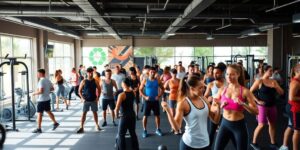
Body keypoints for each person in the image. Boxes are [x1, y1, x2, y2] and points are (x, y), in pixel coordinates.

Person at [161, 75, 221, 150]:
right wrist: (168, 111)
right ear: (192, 89)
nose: (203, 89)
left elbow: (215, 120)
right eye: (200, 88)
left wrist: (218, 107)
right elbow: (176, 128)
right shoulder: (183, 103)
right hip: (189, 144)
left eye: (203, 86)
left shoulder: (204, 99)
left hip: (205, 143)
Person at [213, 64, 258, 150]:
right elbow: (213, 108)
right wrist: (219, 106)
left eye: (232, 74)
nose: (229, 77)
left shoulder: (245, 91)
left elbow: (256, 111)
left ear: (238, 74)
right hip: (224, 124)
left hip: (239, 126)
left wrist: (243, 104)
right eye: (227, 74)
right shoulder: (222, 89)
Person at [250, 65, 284, 150]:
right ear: (265, 71)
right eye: (270, 71)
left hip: (272, 105)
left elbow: (282, 93)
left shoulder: (274, 81)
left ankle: (273, 143)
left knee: (272, 124)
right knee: (261, 124)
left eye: (272, 71)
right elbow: (250, 92)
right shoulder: (259, 81)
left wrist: (276, 87)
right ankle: (253, 142)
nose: (272, 72)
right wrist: (257, 101)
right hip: (262, 106)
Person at [204, 66, 226, 147]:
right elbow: (205, 97)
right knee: (212, 132)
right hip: (215, 111)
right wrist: (209, 98)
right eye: (213, 73)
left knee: (227, 133)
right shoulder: (211, 84)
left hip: (226, 112)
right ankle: (209, 148)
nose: (215, 75)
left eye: (217, 73)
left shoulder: (227, 83)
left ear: (221, 73)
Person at [139, 67, 165, 138]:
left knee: (157, 115)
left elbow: (163, 89)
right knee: (145, 116)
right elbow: (140, 90)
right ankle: (144, 130)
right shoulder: (145, 80)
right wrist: (145, 97)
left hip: (155, 101)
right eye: (151, 72)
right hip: (148, 101)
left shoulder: (158, 81)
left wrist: (159, 96)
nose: (153, 73)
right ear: (149, 72)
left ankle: (158, 129)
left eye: (154, 72)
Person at [32, 69, 60, 133]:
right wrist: (47, 91)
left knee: (39, 114)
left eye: (38, 73)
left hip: (41, 100)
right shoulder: (48, 80)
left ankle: (39, 128)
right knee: (49, 111)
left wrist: (34, 93)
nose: (37, 75)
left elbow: (41, 91)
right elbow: (52, 88)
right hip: (47, 99)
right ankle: (55, 123)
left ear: (41, 74)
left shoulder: (41, 81)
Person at [115, 78, 139, 150]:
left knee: (121, 135)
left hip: (124, 116)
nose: (121, 84)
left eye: (122, 83)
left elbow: (117, 108)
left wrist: (116, 116)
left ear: (124, 84)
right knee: (133, 133)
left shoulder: (121, 95)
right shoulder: (133, 92)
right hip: (132, 115)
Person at [77, 67, 102, 133]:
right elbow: (79, 91)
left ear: (92, 73)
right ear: (87, 73)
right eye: (89, 73)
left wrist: (98, 97)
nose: (90, 74)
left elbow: (99, 89)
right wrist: (82, 98)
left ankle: (97, 125)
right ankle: (81, 127)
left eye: (91, 72)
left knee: (95, 113)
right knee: (84, 114)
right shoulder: (84, 81)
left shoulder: (95, 81)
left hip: (93, 100)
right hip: (86, 100)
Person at [284, 64, 300, 150]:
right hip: (294, 109)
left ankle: (284, 146)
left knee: (290, 126)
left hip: (296, 108)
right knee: (297, 130)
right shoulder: (295, 82)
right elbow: (291, 97)